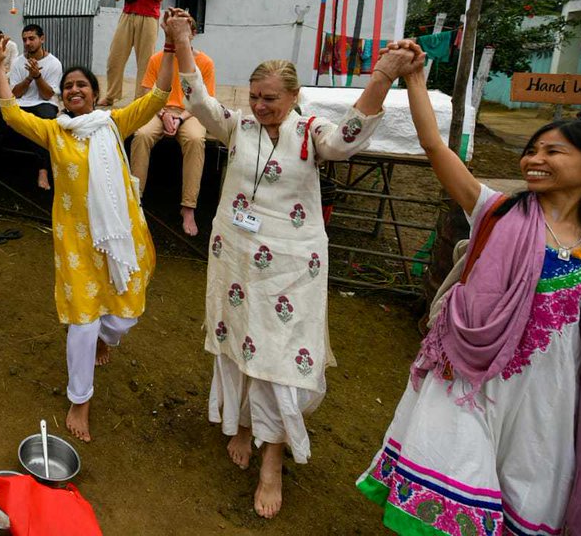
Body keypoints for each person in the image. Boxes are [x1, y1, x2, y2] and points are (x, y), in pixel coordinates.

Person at [176, 33, 418, 519]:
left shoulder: (312, 131)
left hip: (291, 266)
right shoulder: (238, 125)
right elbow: (199, 101)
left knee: (282, 355)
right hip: (235, 255)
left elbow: (348, 140)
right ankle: (243, 423)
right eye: (255, 96)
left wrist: (383, 77)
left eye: (271, 98)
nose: (260, 105)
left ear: (293, 96)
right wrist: (181, 41)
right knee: (241, 340)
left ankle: (273, 458)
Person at [358, 40, 581, 536]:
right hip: (467, 376)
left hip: (547, 393)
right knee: (453, 479)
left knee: (522, 482)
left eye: (553, 151)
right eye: (531, 150)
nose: (534, 159)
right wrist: (415, 80)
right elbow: (435, 147)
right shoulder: (497, 210)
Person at [0, 9, 193, 442]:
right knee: (82, 324)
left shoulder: (112, 122)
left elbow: (159, 97)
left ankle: (107, 338)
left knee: (123, 318)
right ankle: (80, 400)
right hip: (75, 244)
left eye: (81, 85)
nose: (73, 90)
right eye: (68, 86)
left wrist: (171, 47)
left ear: (96, 93)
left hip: (120, 239)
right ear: (63, 97)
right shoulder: (54, 132)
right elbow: (10, 113)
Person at [129, 15, 215, 235]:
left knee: (196, 139)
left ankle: (188, 207)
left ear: (192, 34)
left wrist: (180, 117)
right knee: (141, 135)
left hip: (191, 111)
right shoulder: (157, 58)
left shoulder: (205, 62)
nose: (177, 34)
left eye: (183, 30)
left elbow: (203, 100)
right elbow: (148, 90)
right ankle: (134, 199)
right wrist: (163, 113)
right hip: (159, 108)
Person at [0, 24, 63, 190]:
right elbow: (15, 94)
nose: (28, 43)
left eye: (32, 39)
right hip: (21, 103)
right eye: (25, 39)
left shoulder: (54, 63)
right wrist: (29, 78)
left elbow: (47, 95)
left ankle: (43, 170)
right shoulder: (18, 63)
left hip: (44, 103)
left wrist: (37, 76)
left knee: (46, 122)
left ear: (42, 39)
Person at [99, 0, 170, 107]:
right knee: (114, 58)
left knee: (145, 62)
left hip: (149, 18)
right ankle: (111, 95)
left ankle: (140, 99)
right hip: (127, 15)